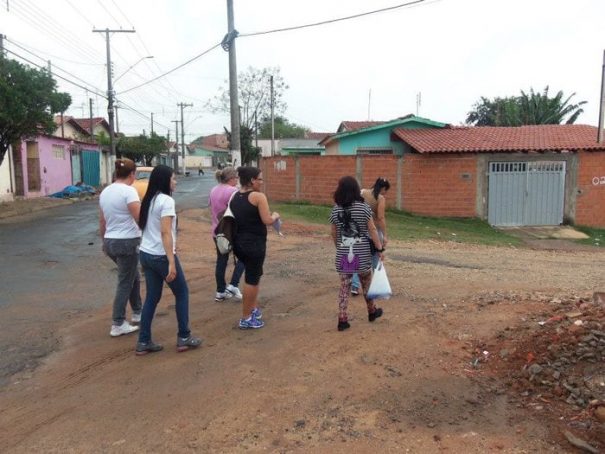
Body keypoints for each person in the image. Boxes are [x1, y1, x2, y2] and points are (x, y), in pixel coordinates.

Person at [135, 165, 201, 355]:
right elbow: (165, 232)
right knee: (182, 293)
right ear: (165, 180)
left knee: (152, 298)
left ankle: (144, 340)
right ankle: (184, 337)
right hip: (160, 256)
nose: (175, 181)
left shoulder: (150, 199)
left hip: (146, 253)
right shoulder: (166, 201)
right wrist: (171, 261)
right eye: (173, 178)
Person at [329, 176, 385, 331]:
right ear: (355, 190)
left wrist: (339, 247)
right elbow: (373, 230)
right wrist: (379, 248)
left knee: (344, 287)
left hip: (344, 253)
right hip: (361, 254)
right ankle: (372, 311)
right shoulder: (364, 208)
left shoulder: (336, 209)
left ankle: (342, 319)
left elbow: (333, 232)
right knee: (366, 284)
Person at [230, 166, 280, 329]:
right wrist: (275, 216)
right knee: (251, 279)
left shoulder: (235, 196)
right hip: (254, 244)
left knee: (254, 275)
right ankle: (245, 317)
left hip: (239, 243)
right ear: (252, 180)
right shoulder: (258, 197)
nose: (261, 182)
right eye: (260, 179)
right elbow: (267, 220)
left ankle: (253, 309)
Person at [99, 158, 142, 337]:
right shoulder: (129, 192)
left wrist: (104, 241)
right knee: (125, 281)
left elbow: (102, 220)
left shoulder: (105, 192)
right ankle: (118, 323)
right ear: (132, 174)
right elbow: (140, 218)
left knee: (133, 276)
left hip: (111, 241)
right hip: (127, 241)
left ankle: (138, 312)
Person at [209, 167, 245, 302]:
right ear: (231, 178)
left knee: (221, 260)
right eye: (236, 177)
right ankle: (233, 284)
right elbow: (239, 210)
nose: (237, 180)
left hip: (217, 231)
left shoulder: (214, 189)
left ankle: (220, 291)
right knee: (244, 257)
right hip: (231, 232)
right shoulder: (233, 191)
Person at [351, 177, 391, 295]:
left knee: (358, 257)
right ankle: (378, 285)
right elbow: (380, 218)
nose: (385, 193)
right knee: (375, 257)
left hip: (358, 229)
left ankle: (354, 285)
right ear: (383, 188)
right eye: (385, 190)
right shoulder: (380, 198)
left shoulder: (362, 192)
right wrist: (385, 235)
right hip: (372, 230)